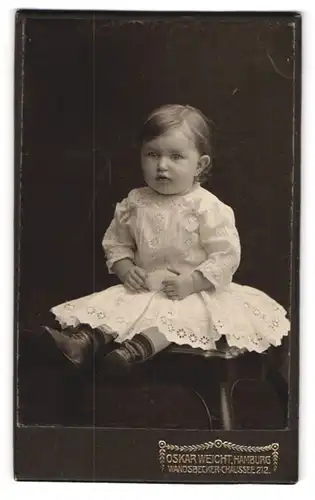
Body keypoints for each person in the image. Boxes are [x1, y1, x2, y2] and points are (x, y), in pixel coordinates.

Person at [44, 104, 290, 375]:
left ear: (200, 164)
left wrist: (194, 281)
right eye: (152, 154)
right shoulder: (136, 202)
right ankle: (81, 343)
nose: (162, 165)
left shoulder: (207, 207)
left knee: (179, 319)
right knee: (116, 309)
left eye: (176, 156)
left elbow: (226, 256)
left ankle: (133, 352)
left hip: (191, 292)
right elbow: (116, 242)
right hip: (146, 287)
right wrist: (125, 268)